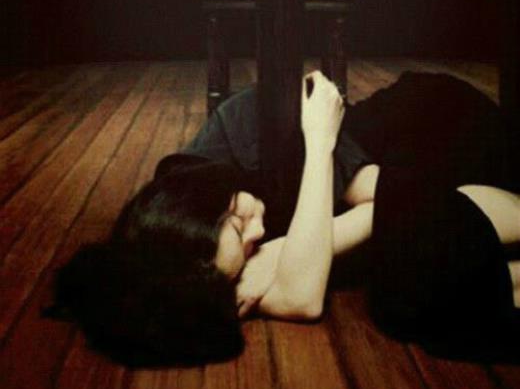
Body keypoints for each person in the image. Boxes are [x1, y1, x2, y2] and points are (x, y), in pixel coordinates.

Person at [44, 70, 520, 366]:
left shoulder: (257, 128)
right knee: (416, 285)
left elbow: (399, 200)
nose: (258, 228)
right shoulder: (186, 254)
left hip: (435, 131)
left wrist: (318, 146)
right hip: (415, 197)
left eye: (238, 221)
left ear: (206, 200)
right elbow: (301, 298)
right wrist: (277, 259)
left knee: (423, 245)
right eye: (248, 245)